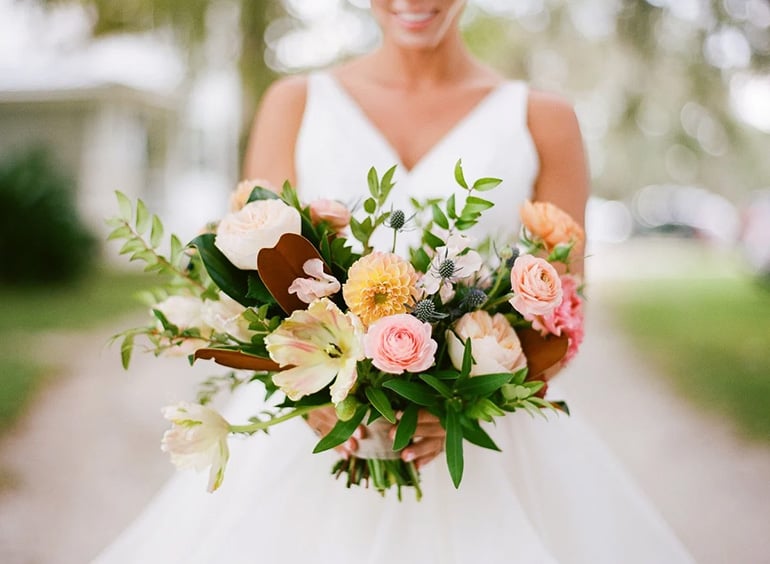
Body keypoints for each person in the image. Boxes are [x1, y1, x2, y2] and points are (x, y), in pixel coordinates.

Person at [95, 1, 694, 562]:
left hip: (479, 445)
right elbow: (259, 275)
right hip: (315, 435)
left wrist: (464, 403)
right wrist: (307, 396)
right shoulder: (294, 105)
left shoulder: (543, 119)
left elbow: (565, 308)